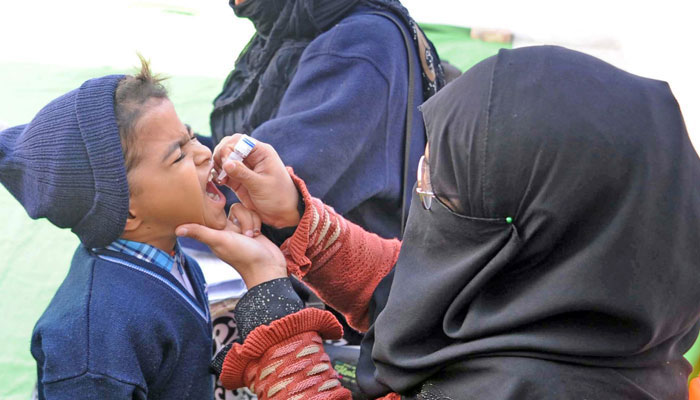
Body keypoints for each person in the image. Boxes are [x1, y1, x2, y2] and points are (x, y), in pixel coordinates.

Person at [177, 45, 700, 399]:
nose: (422, 178)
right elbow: (421, 286)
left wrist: (272, 307)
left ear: (539, 221)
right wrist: (293, 216)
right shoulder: (590, 309)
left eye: (446, 177)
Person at [0, 58, 274, 399]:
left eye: (190, 138)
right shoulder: (92, 343)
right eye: (178, 156)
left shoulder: (172, 255)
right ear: (126, 210)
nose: (204, 153)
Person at [209, 0, 445, 240]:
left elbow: (265, 193)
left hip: (345, 267)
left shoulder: (355, 42)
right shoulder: (297, 26)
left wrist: (176, 169)